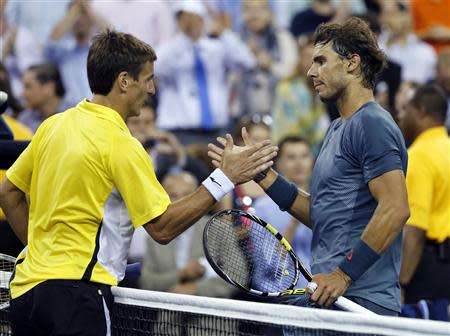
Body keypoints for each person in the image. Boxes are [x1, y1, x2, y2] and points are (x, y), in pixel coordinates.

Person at [0, 30, 277, 336]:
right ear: (124, 81)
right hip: (77, 296)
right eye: (148, 78)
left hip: (26, 293)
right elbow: (162, 228)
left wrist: (40, 252)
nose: (152, 88)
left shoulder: (53, 125)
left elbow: (8, 192)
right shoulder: (122, 144)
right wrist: (225, 178)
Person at [209, 18, 410, 315]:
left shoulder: (372, 123)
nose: (310, 71)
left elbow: (396, 208)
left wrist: (343, 275)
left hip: (361, 302)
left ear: (352, 63)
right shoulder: (336, 129)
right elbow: (323, 215)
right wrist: (262, 174)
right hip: (333, 298)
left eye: (320, 61)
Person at [397, 84, 450, 321]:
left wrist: (401, 283)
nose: (401, 115)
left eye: (406, 108)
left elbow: (415, 229)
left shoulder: (420, 155)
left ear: (420, 111)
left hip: (427, 272)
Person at [140, 171, 234, 298]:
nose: (181, 201)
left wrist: (197, 289)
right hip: (167, 314)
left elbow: (238, 276)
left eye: (187, 195)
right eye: (173, 195)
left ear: (198, 196)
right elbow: (146, 283)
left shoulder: (218, 228)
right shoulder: (155, 235)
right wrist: (181, 274)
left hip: (208, 313)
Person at [253, 136, 314, 288]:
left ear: (312, 161)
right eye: (291, 157)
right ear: (279, 164)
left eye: (304, 156)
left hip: (323, 293)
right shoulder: (262, 208)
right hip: (282, 293)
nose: (299, 163)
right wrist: (297, 217)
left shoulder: (325, 201)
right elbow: (270, 263)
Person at [17, 63, 73, 133]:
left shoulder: (75, 114)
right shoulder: (24, 120)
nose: (23, 94)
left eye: (28, 87)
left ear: (49, 87)